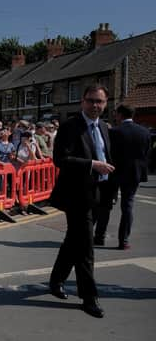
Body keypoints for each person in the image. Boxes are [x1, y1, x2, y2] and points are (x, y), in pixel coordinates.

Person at [49, 84, 115, 318]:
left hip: (98, 192)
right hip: (75, 195)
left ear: (106, 103)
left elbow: (107, 156)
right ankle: (89, 297)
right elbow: (60, 159)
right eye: (91, 101)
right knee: (86, 246)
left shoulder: (105, 128)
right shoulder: (70, 127)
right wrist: (91, 165)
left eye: (100, 101)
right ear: (82, 102)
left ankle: (55, 280)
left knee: (74, 240)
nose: (95, 105)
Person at [108, 104, 150, 249]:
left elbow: (109, 153)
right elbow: (146, 154)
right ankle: (124, 241)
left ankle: (98, 236)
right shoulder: (145, 132)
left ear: (120, 115)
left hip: (114, 172)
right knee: (128, 206)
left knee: (105, 205)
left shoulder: (114, 131)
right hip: (134, 173)